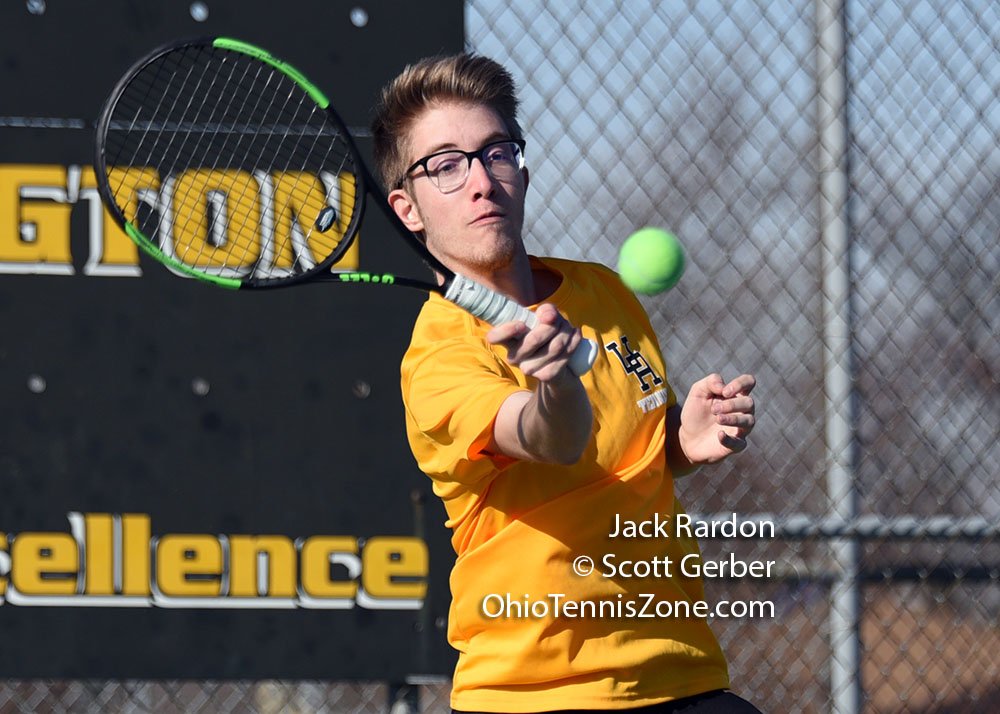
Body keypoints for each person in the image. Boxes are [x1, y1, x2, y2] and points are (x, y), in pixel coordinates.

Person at [371, 53, 760, 714]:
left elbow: (625, 448)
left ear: (521, 169)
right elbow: (551, 437)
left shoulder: (603, 292)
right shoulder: (438, 356)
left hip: (682, 675)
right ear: (408, 208)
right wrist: (554, 384)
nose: (480, 181)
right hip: (535, 695)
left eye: (496, 152)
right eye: (446, 164)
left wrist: (679, 441)